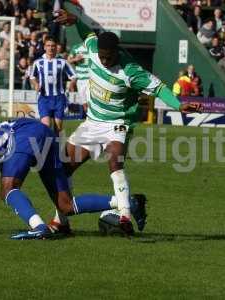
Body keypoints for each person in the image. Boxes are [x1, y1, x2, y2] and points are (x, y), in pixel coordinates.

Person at [54, 9, 202, 230]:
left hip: (117, 123)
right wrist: (76, 21)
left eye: (108, 56)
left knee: (115, 162)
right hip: (92, 122)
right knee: (63, 169)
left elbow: (160, 88)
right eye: (101, 56)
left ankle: (124, 216)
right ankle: (60, 221)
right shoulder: (94, 49)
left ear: (117, 51)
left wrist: (179, 104)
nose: (103, 60)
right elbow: (89, 36)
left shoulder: (131, 71)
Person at [0, 118, 146, 239]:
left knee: (8, 188)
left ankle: (39, 227)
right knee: (65, 206)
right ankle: (126, 202)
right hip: (44, 134)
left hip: (23, 133)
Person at [30, 36, 77, 132]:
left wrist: (72, 84)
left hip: (59, 98)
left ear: (56, 47)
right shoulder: (38, 63)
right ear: (44, 47)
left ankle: (57, 146)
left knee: (58, 128)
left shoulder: (63, 62)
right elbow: (32, 76)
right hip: (44, 98)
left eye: (53, 46)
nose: (50, 48)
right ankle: (46, 146)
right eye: (48, 45)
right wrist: (36, 84)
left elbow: (73, 76)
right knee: (46, 125)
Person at [68, 41, 90, 115]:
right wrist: (75, 59)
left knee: (91, 102)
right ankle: (88, 119)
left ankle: (92, 120)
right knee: (84, 103)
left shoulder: (94, 47)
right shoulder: (76, 47)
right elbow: (68, 60)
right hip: (80, 80)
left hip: (91, 79)